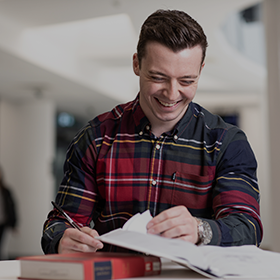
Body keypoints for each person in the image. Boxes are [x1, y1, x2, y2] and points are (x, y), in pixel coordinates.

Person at [41, 9, 263, 254]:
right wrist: (62, 239)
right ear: (137, 63)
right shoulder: (96, 138)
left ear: (200, 70)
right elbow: (60, 223)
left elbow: (247, 228)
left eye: (187, 81)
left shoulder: (227, 143)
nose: (171, 93)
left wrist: (200, 230)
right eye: (158, 77)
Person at [0, 166, 17, 259]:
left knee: (1, 245)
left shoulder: (5, 191)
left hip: (2, 222)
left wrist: (14, 224)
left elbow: (11, 207)